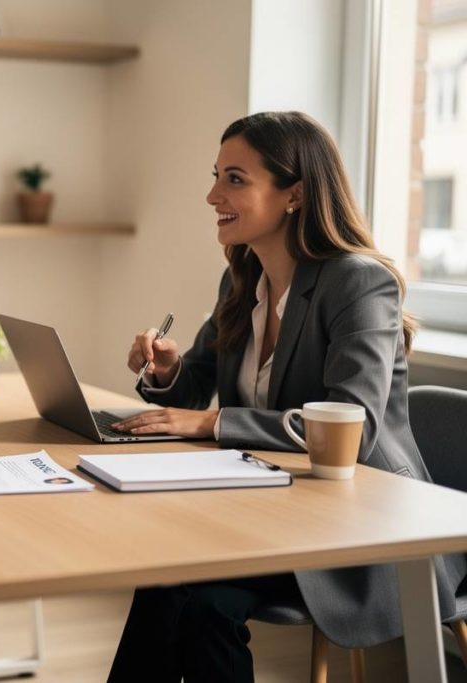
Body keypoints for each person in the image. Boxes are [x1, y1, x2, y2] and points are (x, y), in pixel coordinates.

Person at [106, 111, 466, 682]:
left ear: (294, 194)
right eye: (217, 176)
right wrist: (167, 372)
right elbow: (195, 385)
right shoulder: (242, 277)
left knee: (205, 603)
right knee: (161, 578)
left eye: (235, 179)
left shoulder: (358, 282)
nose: (213, 195)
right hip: (269, 511)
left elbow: (352, 428)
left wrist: (213, 424)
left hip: (363, 527)